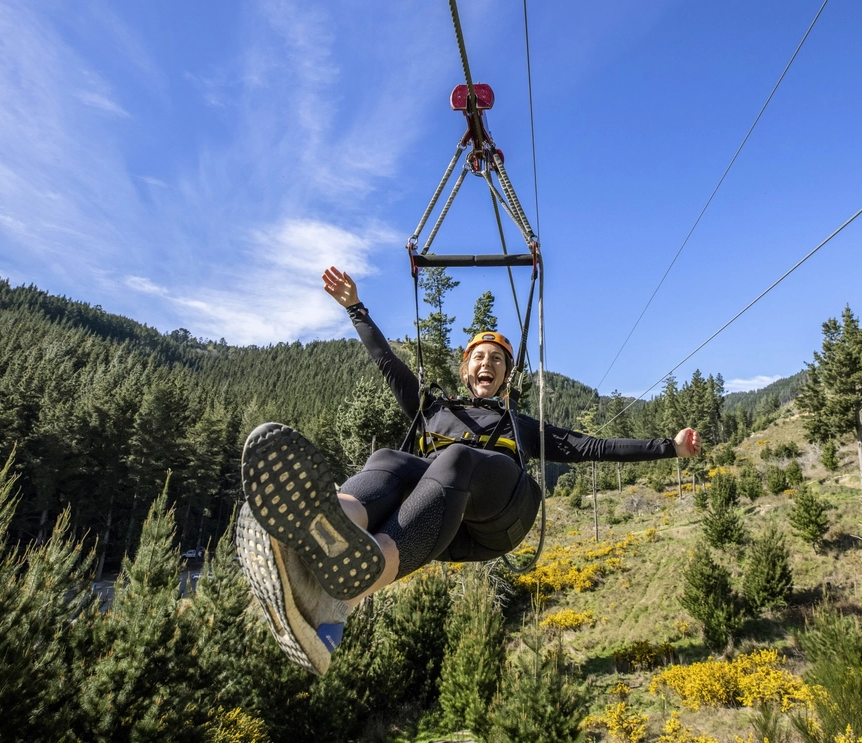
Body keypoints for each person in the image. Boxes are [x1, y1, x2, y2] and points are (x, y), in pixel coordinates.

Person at [235, 266, 701, 675]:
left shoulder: (518, 423)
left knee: (455, 458)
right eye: (479, 356)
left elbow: (590, 445)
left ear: (505, 377)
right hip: (439, 521)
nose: (488, 363)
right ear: (465, 370)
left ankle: (357, 581)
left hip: (502, 518)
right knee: (388, 459)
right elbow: (386, 362)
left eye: (497, 360)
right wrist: (356, 307)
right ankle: (329, 527)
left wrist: (670, 448)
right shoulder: (431, 409)